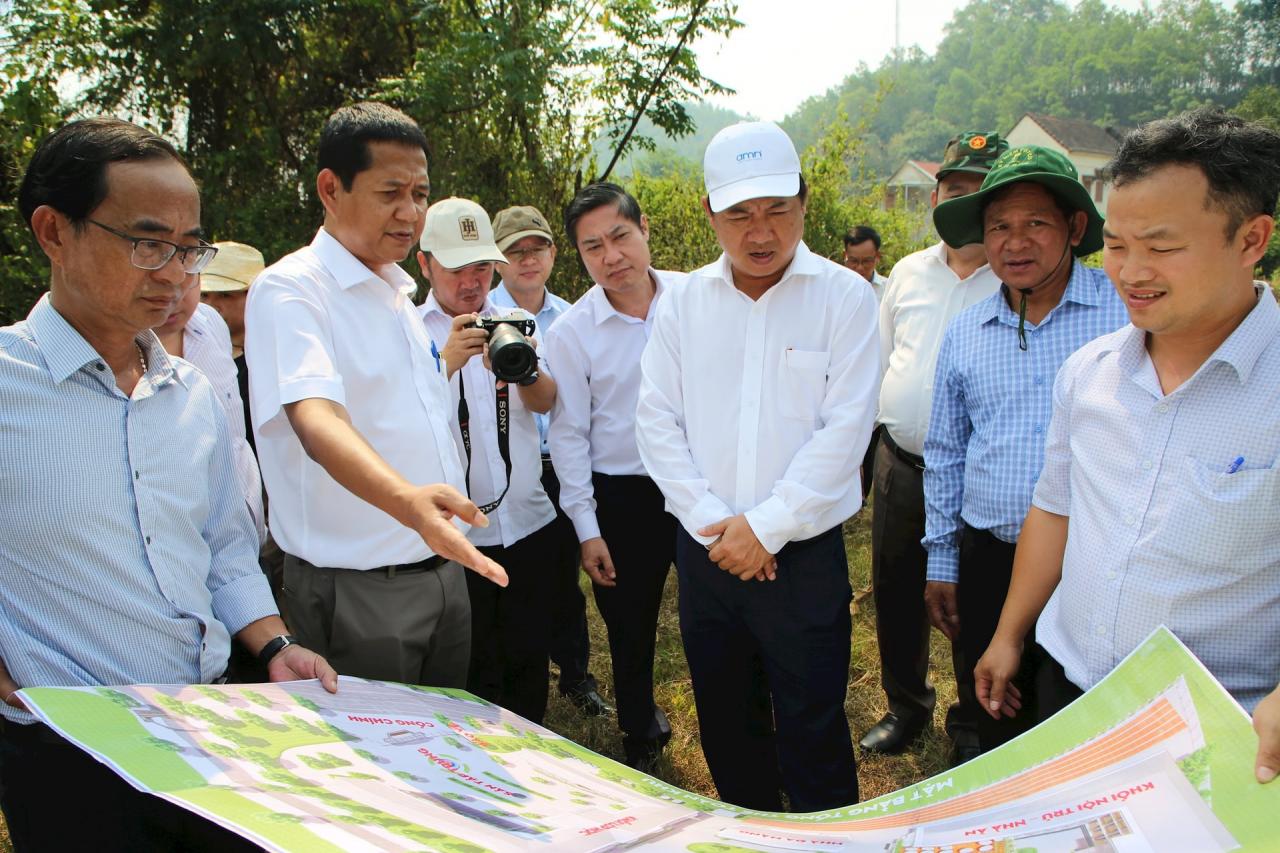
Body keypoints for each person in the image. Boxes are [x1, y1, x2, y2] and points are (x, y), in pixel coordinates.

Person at [0, 117, 336, 852]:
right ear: (54, 231)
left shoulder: (191, 395)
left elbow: (221, 546)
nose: (177, 274)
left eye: (190, 249)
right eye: (148, 243)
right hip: (70, 755)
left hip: (211, 726)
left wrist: (274, 642)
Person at [972, 108, 1280, 786]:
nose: (1131, 272)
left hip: (1218, 730)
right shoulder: (1090, 372)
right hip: (1071, 694)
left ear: (1251, 238)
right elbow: (1055, 511)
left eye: (1163, 247)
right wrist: (1008, 632)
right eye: (1116, 244)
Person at [636, 122, 878, 811]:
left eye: (777, 209)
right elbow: (656, 421)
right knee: (726, 723)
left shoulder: (844, 298)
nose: (761, 231)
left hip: (801, 559)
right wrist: (721, 526)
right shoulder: (681, 302)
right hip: (709, 554)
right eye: (740, 213)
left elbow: (845, 430)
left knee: (813, 724)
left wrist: (767, 527)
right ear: (710, 213)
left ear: (805, 201)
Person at [245, 103, 506, 692]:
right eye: (391, 192)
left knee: (441, 743)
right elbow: (316, 418)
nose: (410, 212)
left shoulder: (394, 293)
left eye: (420, 194)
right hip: (362, 588)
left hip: (441, 567)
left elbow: (409, 411)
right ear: (331, 189)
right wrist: (407, 501)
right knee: (378, 770)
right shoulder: (293, 290)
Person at [923, 145, 1128, 756]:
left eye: (1035, 223)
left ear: (1075, 226)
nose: (1015, 243)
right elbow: (945, 451)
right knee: (995, 705)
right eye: (998, 228)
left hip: (1092, 557)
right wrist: (941, 559)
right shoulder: (966, 330)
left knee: (1080, 718)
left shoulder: (1124, 314)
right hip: (989, 554)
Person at [862, 131, 1005, 764]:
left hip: (980, 476)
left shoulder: (1014, 280)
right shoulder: (907, 275)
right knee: (897, 593)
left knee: (972, 598)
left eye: (978, 191)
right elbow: (883, 360)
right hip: (902, 464)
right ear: (936, 196)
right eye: (952, 189)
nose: (962, 201)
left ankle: (973, 722)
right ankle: (907, 705)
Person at [543, 182, 685, 770]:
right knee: (630, 625)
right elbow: (569, 433)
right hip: (623, 494)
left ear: (644, 229)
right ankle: (639, 732)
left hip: (701, 483)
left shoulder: (694, 296)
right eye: (593, 247)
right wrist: (587, 527)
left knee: (727, 611)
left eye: (620, 237)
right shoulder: (571, 332)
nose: (612, 256)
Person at [418, 198, 560, 724]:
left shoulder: (516, 322)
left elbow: (545, 403)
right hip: (457, 532)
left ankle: (534, 762)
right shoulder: (410, 331)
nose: (472, 281)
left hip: (527, 520)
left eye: (481, 266)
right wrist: (446, 365)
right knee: (473, 665)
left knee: (528, 658)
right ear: (425, 263)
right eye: (457, 268)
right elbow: (402, 422)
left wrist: (523, 372)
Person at [490, 204, 609, 717]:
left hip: (561, 464)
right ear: (496, 261)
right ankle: (515, 678)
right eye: (514, 251)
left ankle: (576, 674)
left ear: (553, 254)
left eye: (536, 247)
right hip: (507, 470)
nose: (527, 259)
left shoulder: (572, 316)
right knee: (515, 580)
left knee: (566, 576)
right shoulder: (479, 311)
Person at [155, 281, 266, 547]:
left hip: (246, 540)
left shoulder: (209, 324)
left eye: (189, 265)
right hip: (176, 548)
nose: (173, 288)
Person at [200, 241, 262, 450]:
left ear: (252, 295)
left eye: (225, 295)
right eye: (204, 295)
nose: (211, 305)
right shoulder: (188, 354)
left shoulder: (269, 359)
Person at [843, 225, 888, 302]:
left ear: (877, 256)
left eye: (866, 261)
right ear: (844, 255)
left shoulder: (888, 290)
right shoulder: (833, 287)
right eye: (854, 261)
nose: (859, 268)